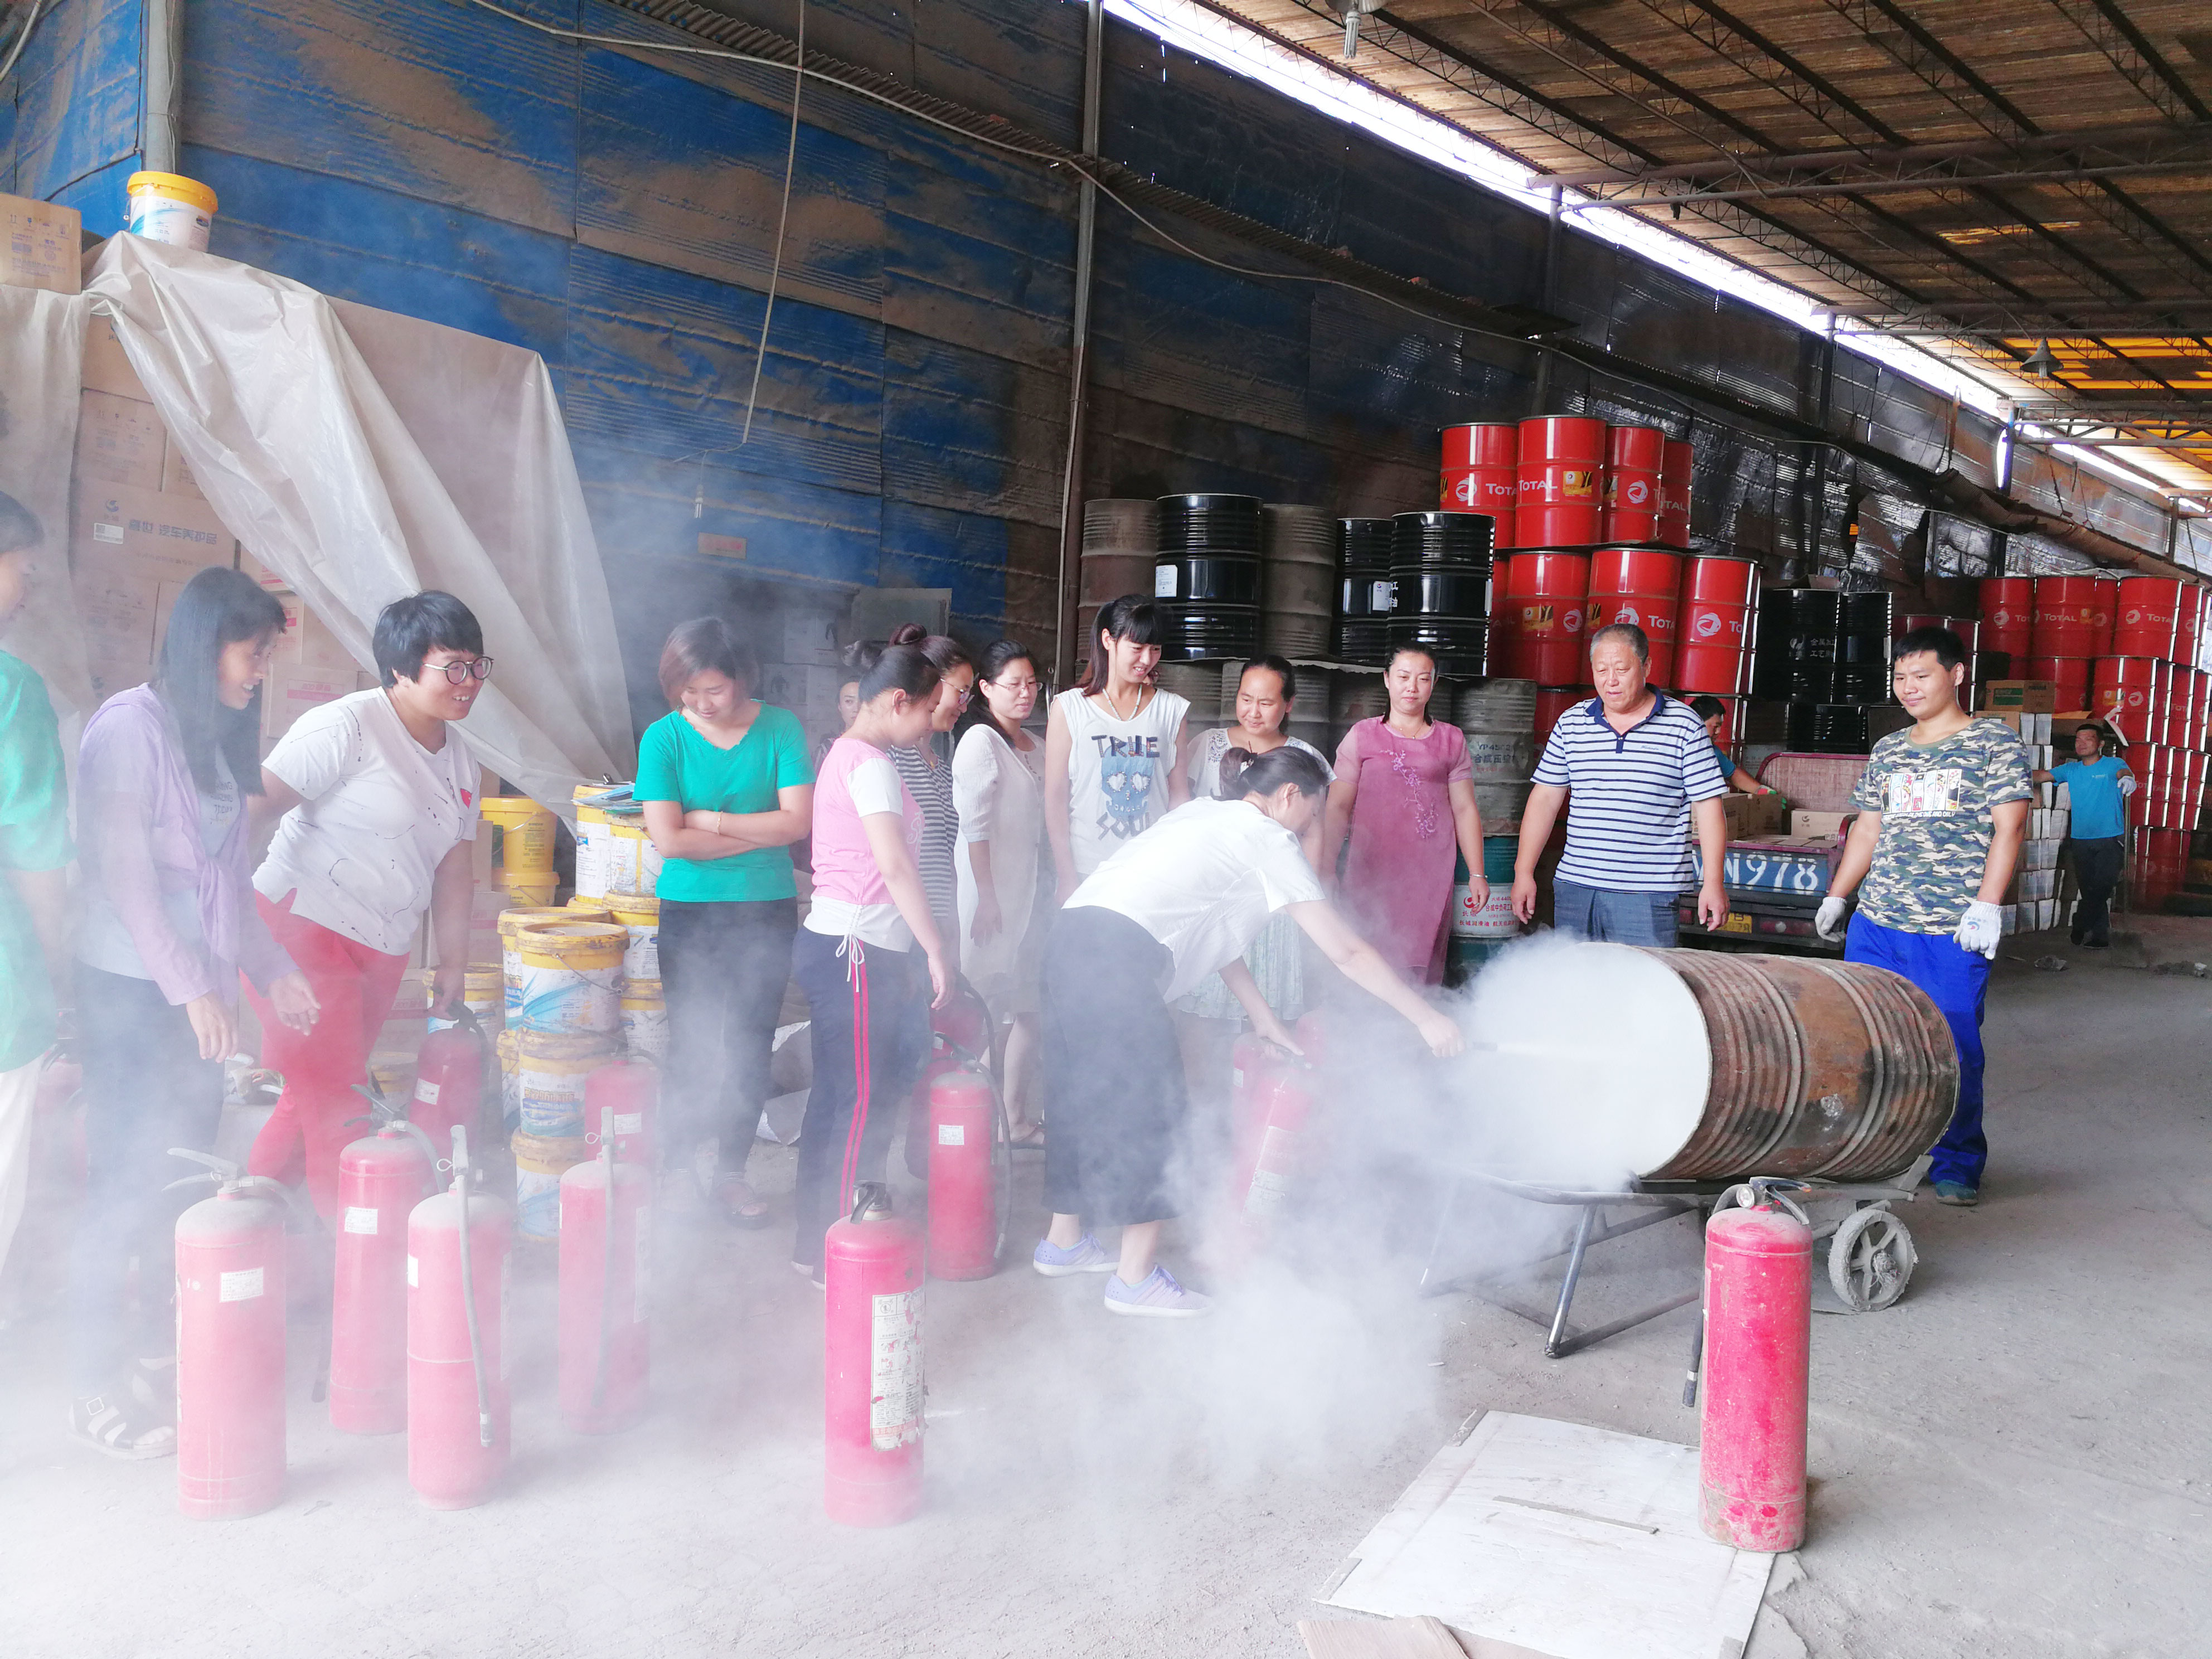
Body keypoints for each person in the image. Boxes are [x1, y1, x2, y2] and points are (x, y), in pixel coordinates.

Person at [1037, 746, 1464, 1316]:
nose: (1310, 825)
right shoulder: (1268, 840)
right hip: (1118, 961)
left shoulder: (1200, 815)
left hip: (1067, 941)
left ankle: (1063, 1243)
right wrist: (1425, 1017)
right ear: (1289, 796)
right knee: (1155, 1111)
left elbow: (1212, 931)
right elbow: (1345, 952)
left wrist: (1262, 1017)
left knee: (1073, 1097)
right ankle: (1133, 1280)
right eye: (1312, 811)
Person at [69, 567, 319, 1457]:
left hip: (192, 996)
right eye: (253, 653)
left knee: (176, 1181)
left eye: (267, 655)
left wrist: (272, 970)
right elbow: (127, 883)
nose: (261, 671)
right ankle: (91, 1386)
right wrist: (193, 992)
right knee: (122, 1185)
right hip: (130, 992)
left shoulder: (214, 740)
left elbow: (228, 889)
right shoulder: (127, 729)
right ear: (205, 645)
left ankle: (154, 1355)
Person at [246, 590, 487, 1219]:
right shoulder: (346, 726)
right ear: (402, 670)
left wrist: (453, 962)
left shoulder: (462, 762)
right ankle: (355, 1248)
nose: (469, 682)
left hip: (382, 947)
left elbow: (455, 869)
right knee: (340, 1106)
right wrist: (226, 923)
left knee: (313, 1094)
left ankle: (250, 1223)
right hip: (301, 932)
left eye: (476, 666)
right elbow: (251, 811)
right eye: (453, 668)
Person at [1815, 625, 2030, 1209]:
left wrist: (1987, 904)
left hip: (1951, 928)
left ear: (1956, 675)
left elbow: (2010, 827)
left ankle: (1956, 1160)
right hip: (1878, 924)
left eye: (1921, 675)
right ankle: (1876, 1151)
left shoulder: (1992, 742)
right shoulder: (1889, 749)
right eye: (1900, 677)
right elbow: (1867, 830)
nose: (1908, 687)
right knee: (1867, 1042)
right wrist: (1839, 895)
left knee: (1952, 1047)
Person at [636, 618, 813, 1227]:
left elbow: (797, 824)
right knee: (691, 1045)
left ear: (742, 679)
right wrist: (759, 831)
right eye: (688, 691)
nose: (702, 703)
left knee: (748, 1045)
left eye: (714, 689)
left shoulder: (780, 728)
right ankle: (679, 1169)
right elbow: (668, 841)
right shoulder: (663, 738)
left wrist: (707, 821)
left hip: (765, 908)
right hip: (690, 912)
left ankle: (731, 1174)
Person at [792, 637, 951, 1280]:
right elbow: (894, 865)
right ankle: (836, 1249)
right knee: (855, 1101)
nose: (933, 722)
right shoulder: (871, 764)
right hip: (853, 950)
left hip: (848, 948)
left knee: (839, 1096)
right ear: (897, 701)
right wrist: (934, 946)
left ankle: (816, 1242)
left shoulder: (846, 753)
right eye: (929, 709)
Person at [1512, 623, 1729, 946]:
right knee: (1576, 975)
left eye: (1621, 669)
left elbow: (1709, 808)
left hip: (1648, 894)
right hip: (1577, 887)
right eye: (1601, 670)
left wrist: (1713, 882)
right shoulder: (1572, 722)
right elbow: (1544, 799)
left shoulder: (1684, 725)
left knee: (1640, 978)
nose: (1610, 680)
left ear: (1647, 667)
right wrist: (1523, 871)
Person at [1179, 656, 1332, 1029]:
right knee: (1203, 1014)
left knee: (1266, 1012)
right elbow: (1184, 813)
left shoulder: (1306, 758)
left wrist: (1304, 894)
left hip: (1275, 901)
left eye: (1266, 703)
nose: (1253, 711)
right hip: (1215, 894)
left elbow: (1314, 832)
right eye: (1246, 699)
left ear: (1289, 704)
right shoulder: (1206, 745)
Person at [0, 492, 70, 1295]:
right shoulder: (12, 690)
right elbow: (37, 855)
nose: (29, 590)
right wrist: (59, 969)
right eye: (23, 569)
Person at [1320, 643, 1484, 984]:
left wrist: (1477, 873)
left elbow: (1465, 808)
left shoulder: (1451, 740)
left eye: (1423, 679)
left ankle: (1417, 1016)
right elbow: (1337, 807)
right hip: (1371, 866)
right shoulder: (1362, 735)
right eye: (1404, 677)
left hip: (1430, 871)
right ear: (1387, 679)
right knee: (1366, 951)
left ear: (1434, 684)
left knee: (1420, 961)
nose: (1412, 687)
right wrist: (1326, 867)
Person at [952, 639, 1047, 1146]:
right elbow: (975, 828)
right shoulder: (980, 742)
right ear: (986, 689)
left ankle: (1012, 1119)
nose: (1026, 693)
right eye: (1014, 684)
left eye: (1032, 683)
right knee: (989, 1012)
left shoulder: (1037, 744)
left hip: (1033, 896)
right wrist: (987, 898)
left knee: (1030, 1007)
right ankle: (968, 1124)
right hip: (994, 898)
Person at [1046, 595, 1189, 901]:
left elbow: (1179, 798)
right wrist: (1066, 876)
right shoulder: (1070, 709)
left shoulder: (1172, 710)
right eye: (1137, 648)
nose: (1147, 659)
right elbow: (1055, 799)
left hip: (1152, 873)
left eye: (1155, 649)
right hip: (1087, 871)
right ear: (1108, 640)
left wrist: (1177, 869)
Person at [886, 624, 975, 978]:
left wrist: (949, 926)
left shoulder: (943, 767)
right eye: (961, 691)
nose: (964, 706)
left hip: (939, 927)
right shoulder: (890, 758)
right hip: (898, 927)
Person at [2031, 721, 2132, 949]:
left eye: (2088, 739)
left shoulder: (2112, 764)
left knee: (2103, 886)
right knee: (2089, 890)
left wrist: (2128, 778)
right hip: (2081, 839)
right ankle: (2100, 937)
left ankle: (2081, 922)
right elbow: (2043, 776)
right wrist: (2012, 773)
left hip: (2110, 837)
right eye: (2078, 740)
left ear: (2101, 744)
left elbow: (2123, 772)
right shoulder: (2071, 770)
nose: (2082, 743)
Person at [1688, 694, 1783, 799]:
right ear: (1697, 722)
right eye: (1715, 726)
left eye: (1720, 727)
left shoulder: (1712, 751)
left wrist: (1761, 790)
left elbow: (1733, 774)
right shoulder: (1679, 747)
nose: (1718, 732)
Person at [812, 671, 860, 773]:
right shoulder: (827, 750)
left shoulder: (884, 748)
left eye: (862, 701)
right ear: (839, 707)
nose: (856, 709)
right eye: (849, 701)